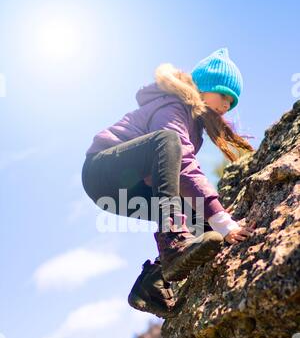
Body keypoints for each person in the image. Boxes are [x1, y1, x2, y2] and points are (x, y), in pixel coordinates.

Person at [81, 48, 256, 318]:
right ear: (205, 88)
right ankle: (173, 241)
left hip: (131, 187)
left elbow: (171, 177)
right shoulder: (174, 105)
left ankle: (151, 285)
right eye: (224, 95)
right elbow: (182, 162)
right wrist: (222, 216)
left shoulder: (194, 125)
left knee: (201, 223)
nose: (227, 105)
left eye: (232, 102)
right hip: (103, 172)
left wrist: (212, 221)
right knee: (169, 142)